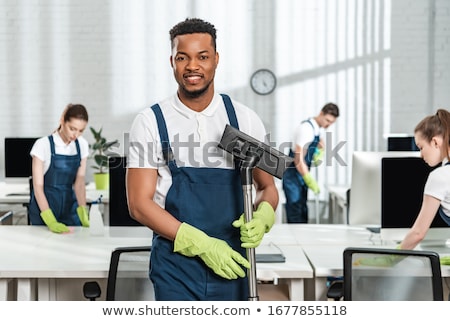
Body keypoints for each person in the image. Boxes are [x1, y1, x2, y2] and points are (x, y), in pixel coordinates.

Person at [126, 18, 278, 301]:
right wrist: (201, 244)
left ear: (216, 60)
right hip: (175, 269)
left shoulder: (244, 119)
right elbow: (138, 204)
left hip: (234, 262)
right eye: (183, 57)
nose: (192, 66)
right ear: (172, 61)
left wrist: (264, 214)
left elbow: (268, 188)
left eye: (202, 57)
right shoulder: (150, 122)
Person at [29, 104, 90, 233]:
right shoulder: (43, 145)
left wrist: (83, 210)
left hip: (70, 208)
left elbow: (79, 183)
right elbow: (38, 187)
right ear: (62, 120)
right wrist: (50, 220)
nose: (76, 135)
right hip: (44, 208)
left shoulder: (82, 145)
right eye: (72, 128)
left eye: (81, 130)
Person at [399, 109, 450, 250]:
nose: (421, 155)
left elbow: (418, 233)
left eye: (421, 147)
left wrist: (391, 258)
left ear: (435, 142)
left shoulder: (440, 176)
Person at [282, 103, 340, 223]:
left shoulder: (318, 128)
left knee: (303, 210)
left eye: (331, 123)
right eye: (327, 120)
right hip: (293, 177)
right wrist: (309, 179)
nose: (328, 125)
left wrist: (320, 150)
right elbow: (298, 160)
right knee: (295, 213)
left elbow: (320, 142)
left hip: (301, 175)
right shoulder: (306, 129)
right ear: (321, 113)